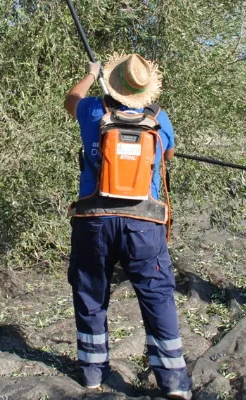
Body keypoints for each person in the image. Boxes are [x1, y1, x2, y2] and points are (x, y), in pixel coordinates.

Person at [63, 53, 192, 399]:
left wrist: (90, 76)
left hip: (94, 221)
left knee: (91, 292)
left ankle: (92, 371)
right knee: (157, 295)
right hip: (144, 224)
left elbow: (69, 101)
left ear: (112, 82)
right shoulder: (158, 117)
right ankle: (174, 382)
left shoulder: (93, 110)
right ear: (143, 90)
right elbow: (168, 156)